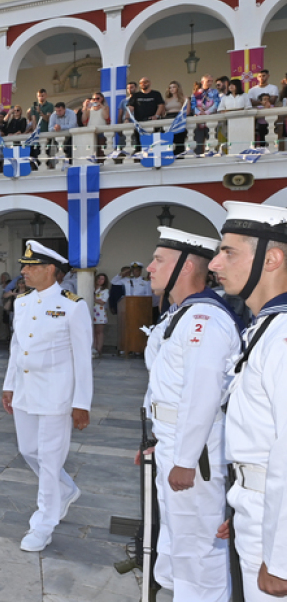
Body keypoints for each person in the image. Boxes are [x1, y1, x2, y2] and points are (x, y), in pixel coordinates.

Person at [140, 227, 240, 601]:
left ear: (185, 267)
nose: (149, 267)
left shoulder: (205, 321)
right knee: (177, 538)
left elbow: (203, 395)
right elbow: (167, 388)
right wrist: (158, 442)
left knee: (198, 549)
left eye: (159, 260)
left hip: (195, 455)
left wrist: (183, 458)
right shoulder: (179, 316)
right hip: (175, 441)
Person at [208, 200, 287, 599]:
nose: (215, 264)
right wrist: (240, 505)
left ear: (271, 259)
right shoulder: (266, 328)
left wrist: (282, 556)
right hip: (257, 510)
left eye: (228, 251)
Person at [2, 240, 93, 552]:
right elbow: (17, 347)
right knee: (29, 450)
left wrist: (82, 403)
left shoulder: (73, 305)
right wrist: (9, 384)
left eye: (31, 266)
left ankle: (44, 523)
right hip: (26, 391)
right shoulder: (22, 303)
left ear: (51, 269)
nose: (24, 272)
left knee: (50, 460)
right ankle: (65, 489)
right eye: (24, 266)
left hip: (57, 394)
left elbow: (83, 358)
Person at [92, 273, 109, 358]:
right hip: (92, 311)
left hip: (100, 312)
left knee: (99, 331)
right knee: (93, 332)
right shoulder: (91, 288)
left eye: (102, 279)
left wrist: (94, 299)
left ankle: (99, 349)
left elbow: (103, 301)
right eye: (99, 278)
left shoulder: (105, 290)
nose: (100, 280)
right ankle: (94, 349)